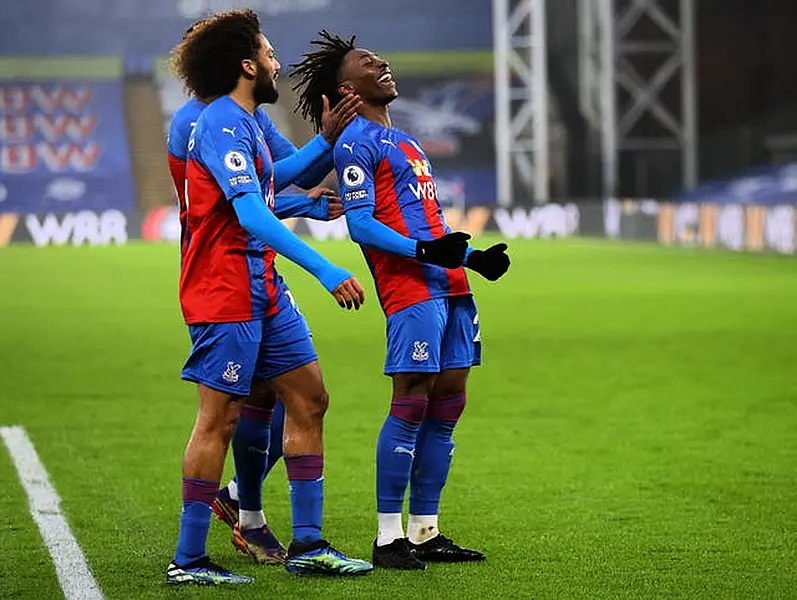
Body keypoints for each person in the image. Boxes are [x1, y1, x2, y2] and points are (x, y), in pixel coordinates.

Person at [290, 30, 511, 571]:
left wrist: (472, 257)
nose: (382, 62)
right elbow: (363, 225)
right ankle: (389, 538)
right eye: (368, 61)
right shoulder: (355, 142)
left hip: (451, 284)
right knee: (411, 401)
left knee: (449, 403)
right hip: (410, 286)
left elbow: (430, 224)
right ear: (346, 88)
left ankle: (426, 530)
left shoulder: (408, 143)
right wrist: (424, 250)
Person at [166, 12, 373, 585]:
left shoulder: (246, 122)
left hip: (261, 284)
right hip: (222, 286)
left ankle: (309, 545)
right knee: (220, 419)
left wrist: (328, 141)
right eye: (271, 53)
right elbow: (253, 210)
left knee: (310, 398)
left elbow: (277, 174)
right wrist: (328, 269)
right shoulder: (218, 124)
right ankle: (188, 560)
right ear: (247, 65)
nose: (279, 63)